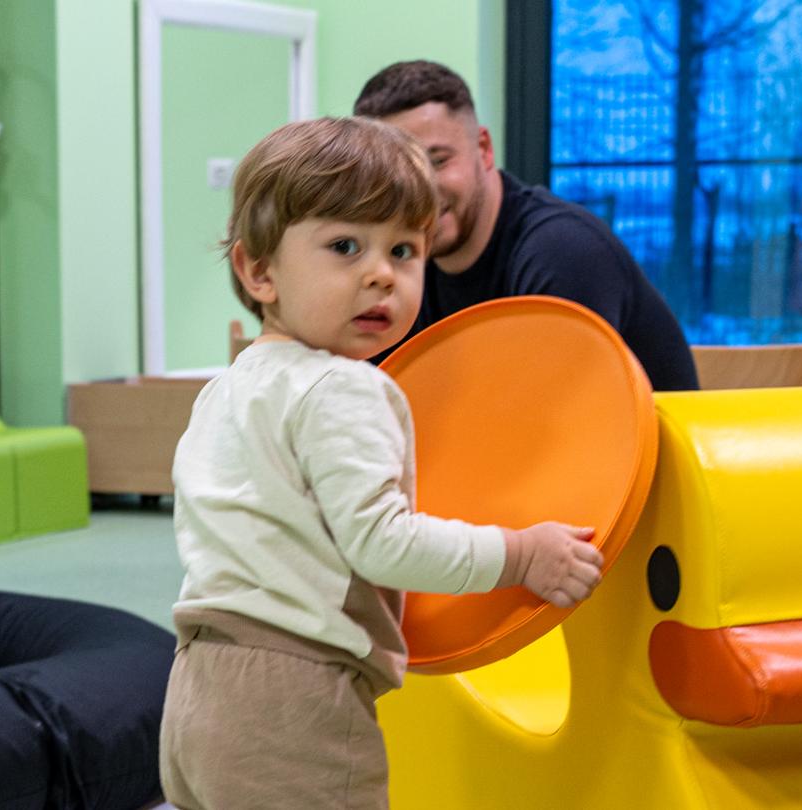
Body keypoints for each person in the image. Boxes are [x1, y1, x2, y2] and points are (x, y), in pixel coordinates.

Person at [159, 117, 606, 809]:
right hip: (296, 691)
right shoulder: (343, 386)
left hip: (198, 684)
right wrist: (520, 555)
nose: (380, 274)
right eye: (345, 246)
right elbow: (383, 544)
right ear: (258, 270)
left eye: (403, 250)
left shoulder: (232, 384)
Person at [355, 60, 701, 391]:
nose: (424, 188)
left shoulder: (562, 250)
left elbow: (549, 421)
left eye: (438, 161)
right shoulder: (401, 264)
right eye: (401, 172)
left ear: (484, 149)